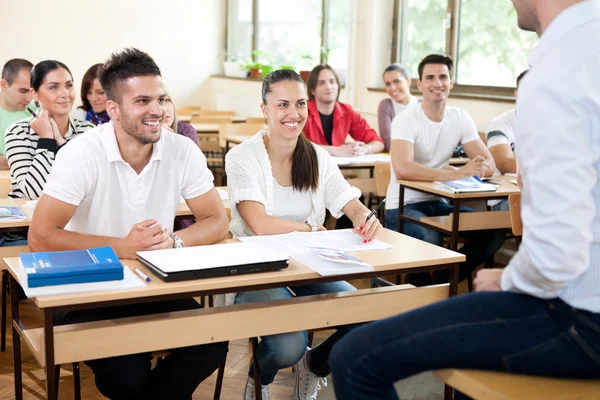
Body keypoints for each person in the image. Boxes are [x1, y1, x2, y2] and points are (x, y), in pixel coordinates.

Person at [330, 1, 600, 399]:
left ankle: (440, 292)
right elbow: (404, 169)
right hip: (409, 205)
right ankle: (435, 290)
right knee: (437, 242)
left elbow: (559, 251)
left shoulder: (556, 73)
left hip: (580, 316)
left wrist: (510, 279)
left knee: (354, 360)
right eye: (431, 77)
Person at [27, 48, 230, 400]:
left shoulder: (182, 149)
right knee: (126, 373)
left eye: (162, 98)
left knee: (211, 343)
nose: (158, 110)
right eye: (143, 101)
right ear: (114, 110)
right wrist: (122, 247)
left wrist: (174, 242)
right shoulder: (82, 153)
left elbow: (217, 220)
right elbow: (40, 237)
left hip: (154, 285)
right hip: (86, 291)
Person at [225, 69, 382, 400]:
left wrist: (364, 216)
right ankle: (260, 378)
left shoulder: (317, 157)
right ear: (264, 109)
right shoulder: (242, 157)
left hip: (309, 265)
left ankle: (313, 365)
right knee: (287, 346)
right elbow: (260, 224)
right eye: (282, 105)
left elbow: (348, 201)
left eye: (299, 104)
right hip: (257, 269)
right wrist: (310, 229)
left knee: (366, 316)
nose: (293, 114)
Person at [384, 53, 505, 285]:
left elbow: (489, 163)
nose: (437, 83)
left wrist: (476, 169)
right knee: (431, 237)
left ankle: (444, 282)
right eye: (430, 78)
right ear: (419, 84)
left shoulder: (460, 118)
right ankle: (424, 291)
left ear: (451, 82)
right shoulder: (406, 119)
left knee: (493, 232)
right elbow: (402, 169)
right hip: (402, 206)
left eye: (443, 77)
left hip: (439, 203)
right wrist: (456, 174)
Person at [5, 60, 94, 199]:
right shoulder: (17, 133)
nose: (65, 94)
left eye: (69, 85)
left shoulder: (88, 131)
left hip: (73, 217)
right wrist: (46, 139)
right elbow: (35, 191)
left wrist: (60, 141)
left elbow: (90, 186)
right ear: (34, 94)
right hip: (28, 217)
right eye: (53, 87)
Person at [303, 64, 384, 157]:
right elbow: (294, 146)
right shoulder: (302, 111)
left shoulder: (347, 111)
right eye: (321, 83)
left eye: (332, 82)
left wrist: (365, 149)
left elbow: (378, 143)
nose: (329, 87)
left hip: (338, 168)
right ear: (313, 90)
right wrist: (336, 150)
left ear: (338, 86)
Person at [486, 69, 529, 211]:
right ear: (516, 93)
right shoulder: (500, 124)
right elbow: (505, 164)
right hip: (506, 197)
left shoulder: (552, 124)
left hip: (540, 193)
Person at [162, 93, 198, 230]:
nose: (165, 108)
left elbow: (189, 175)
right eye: (159, 102)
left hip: (184, 206)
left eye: (166, 100)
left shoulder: (185, 130)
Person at [0, 59, 34, 170]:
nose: (29, 98)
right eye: (23, 91)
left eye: (32, 91)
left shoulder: (38, 112)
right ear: (4, 85)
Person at [377, 63, 419, 152]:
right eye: (388, 84)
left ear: (408, 81)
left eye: (397, 81)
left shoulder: (423, 105)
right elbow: (388, 143)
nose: (392, 88)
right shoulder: (385, 106)